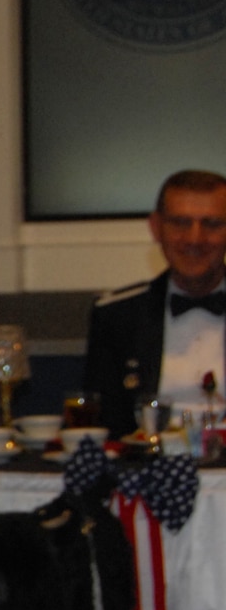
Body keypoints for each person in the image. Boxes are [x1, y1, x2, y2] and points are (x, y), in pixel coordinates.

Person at [83, 169, 226, 437]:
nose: (195, 239)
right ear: (156, 228)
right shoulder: (116, 316)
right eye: (180, 223)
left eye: (212, 224)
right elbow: (103, 428)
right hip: (149, 474)